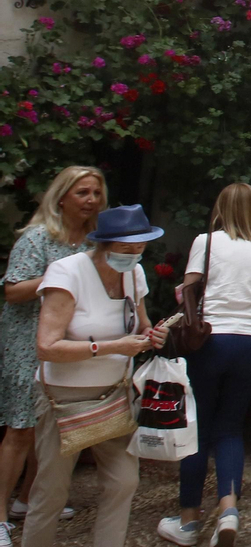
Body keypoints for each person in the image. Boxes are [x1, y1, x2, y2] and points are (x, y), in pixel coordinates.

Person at [25, 204, 169, 547]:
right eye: (125, 249)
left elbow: (142, 325)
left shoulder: (134, 274)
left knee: (123, 482)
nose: (134, 255)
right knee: (52, 491)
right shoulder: (67, 272)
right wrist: (111, 346)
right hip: (64, 399)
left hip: (115, 394)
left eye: (140, 248)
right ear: (103, 245)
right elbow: (46, 346)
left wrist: (154, 335)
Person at [156, 184, 251, 547]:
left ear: (222, 208)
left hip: (210, 340)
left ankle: (189, 521)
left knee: (198, 428)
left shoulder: (205, 242)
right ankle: (228, 511)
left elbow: (189, 292)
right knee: (230, 428)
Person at [0, 168, 105, 547]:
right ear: (62, 198)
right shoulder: (38, 238)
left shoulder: (96, 243)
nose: (91, 199)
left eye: (96, 193)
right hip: (28, 340)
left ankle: (29, 501)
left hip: (68, 343)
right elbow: (13, 291)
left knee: (53, 427)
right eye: (82, 192)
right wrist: (59, 276)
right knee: (21, 428)